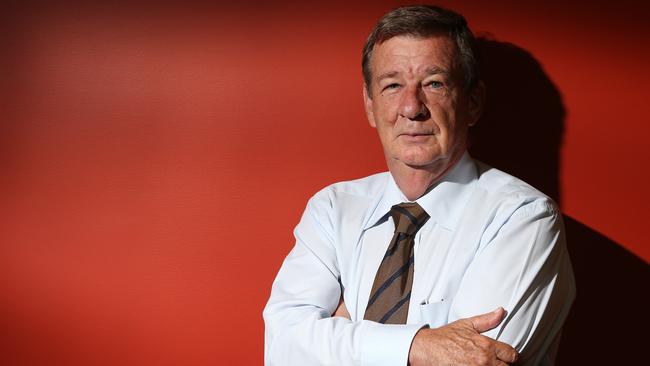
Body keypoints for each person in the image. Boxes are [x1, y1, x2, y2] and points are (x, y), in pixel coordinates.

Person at [263, 5, 575, 366]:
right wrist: (419, 346)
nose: (411, 107)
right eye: (392, 85)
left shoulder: (524, 220)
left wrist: (339, 335)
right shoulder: (332, 209)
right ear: (369, 104)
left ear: (473, 102)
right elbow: (283, 346)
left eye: (434, 83)